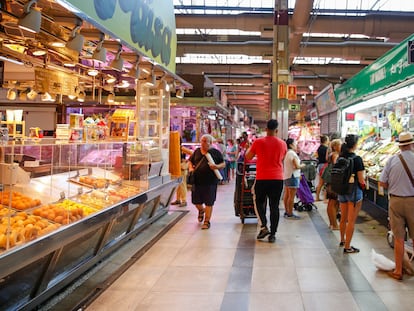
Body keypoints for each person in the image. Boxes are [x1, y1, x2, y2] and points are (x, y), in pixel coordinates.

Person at [379, 132, 414, 280]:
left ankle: (398, 271)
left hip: (395, 201)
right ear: (411, 144)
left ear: (400, 146)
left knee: (399, 238)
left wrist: (394, 185)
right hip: (413, 201)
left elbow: (382, 182)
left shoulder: (392, 160)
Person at [245, 119, 287, 243]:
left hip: (262, 178)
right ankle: (273, 234)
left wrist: (250, 149)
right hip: (277, 178)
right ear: (277, 130)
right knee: (274, 206)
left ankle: (264, 226)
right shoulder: (282, 144)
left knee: (259, 203)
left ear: (266, 129)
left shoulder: (258, 142)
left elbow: (248, 157)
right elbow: (282, 157)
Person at [188, 134, 225, 230]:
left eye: (205, 141)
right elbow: (190, 161)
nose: (203, 143)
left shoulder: (215, 152)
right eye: (202, 141)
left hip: (210, 182)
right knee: (196, 202)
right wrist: (191, 168)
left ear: (210, 143)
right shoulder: (196, 152)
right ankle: (201, 210)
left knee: (209, 202)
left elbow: (223, 163)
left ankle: (207, 221)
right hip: (197, 181)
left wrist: (216, 167)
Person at [337, 134, 366, 254]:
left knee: (343, 218)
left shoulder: (340, 158)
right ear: (354, 145)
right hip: (353, 192)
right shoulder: (357, 159)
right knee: (351, 221)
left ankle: (342, 240)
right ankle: (348, 247)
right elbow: (361, 180)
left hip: (342, 191)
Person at [283, 138, 305, 219]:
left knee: (287, 194)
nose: (296, 145)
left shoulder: (287, 153)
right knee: (291, 196)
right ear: (291, 145)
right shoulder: (292, 154)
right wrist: (303, 165)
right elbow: (297, 166)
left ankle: (287, 211)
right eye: (295, 143)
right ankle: (290, 213)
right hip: (293, 176)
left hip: (287, 175)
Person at [325, 138, 342, 230]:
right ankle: (334, 224)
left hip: (331, 181)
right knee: (333, 202)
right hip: (334, 181)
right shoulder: (335, 155)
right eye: (340, 145)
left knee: (332, 203)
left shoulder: (331, 154)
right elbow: (337, 167)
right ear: (335, 147)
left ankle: (332, 223)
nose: (341, 146)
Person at [315, 135, 329, 201]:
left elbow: (317, 156)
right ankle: (325, 197)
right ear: (326, 141)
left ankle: (317, 197)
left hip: (320, 165)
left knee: (320, 182)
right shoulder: (326, 148)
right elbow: (327, 158)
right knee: (325, 182)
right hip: (324, 166)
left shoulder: (319, 148)